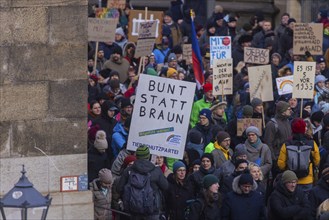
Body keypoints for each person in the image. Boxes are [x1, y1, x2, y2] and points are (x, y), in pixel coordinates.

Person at [117, 145, 168, 220]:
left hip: (132, 211)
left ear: (136, 156)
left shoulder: (128, 170)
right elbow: (166, 186)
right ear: (148, 156)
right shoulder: (156, 171)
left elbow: (119, 189)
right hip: (152, 211)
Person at [277, 118, 320, 192]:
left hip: (290, 180)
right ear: (304, 129)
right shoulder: (311, 143)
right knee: (306, 202)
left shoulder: (286, 144)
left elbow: (281, 164)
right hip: (307, 179)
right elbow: (317, 161)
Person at [263, 101, 292, 176]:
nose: (290, 111)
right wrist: (274, 159)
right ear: (283, 111)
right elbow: (268, 143)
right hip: (277, 158)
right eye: (288, 109)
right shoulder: (272, 124)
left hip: (287, 158)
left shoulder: (287, 121)